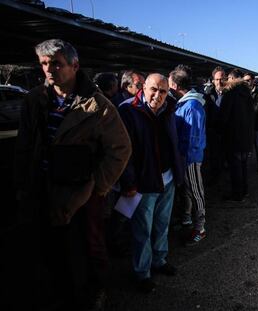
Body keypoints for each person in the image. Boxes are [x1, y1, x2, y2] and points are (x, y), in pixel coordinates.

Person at [14, 39, 131, 310]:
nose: (49, 69)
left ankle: (94, 291)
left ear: (75, 65)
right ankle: (59, 291)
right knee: (49, 245)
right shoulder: (34, 100)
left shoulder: (97, 105)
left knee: (89, 244)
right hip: (42, 186)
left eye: (57, 63)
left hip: (80, 190)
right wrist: (21, 184)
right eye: (44, 63)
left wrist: (97, 186)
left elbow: (121, 149)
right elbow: (23, 145)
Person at [118, 73, 184, 293]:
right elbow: (123, 151)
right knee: (142, 230)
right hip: (143, 182)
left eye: (163, 91)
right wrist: (128, 182)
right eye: (153, 89)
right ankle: (142, 272)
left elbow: (173, 141)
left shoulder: (170, 108)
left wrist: (178, 171)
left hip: (167, 178)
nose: (158, 95)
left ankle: (159, 260)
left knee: (162, 224)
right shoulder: (128, 110)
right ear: (143, 87)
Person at [169, 65, 207, 245]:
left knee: (196, 191)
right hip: (183, 157)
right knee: (186, 191)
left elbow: (194, 138)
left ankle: (200, 228)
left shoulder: (192, 106)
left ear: (175, 86)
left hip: (190, 158)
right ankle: (187, 219)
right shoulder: (184, 103)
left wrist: (185, 158)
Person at [220, 69, 255, 202]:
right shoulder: (247, 93)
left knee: (235, 168)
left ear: (233, 79)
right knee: (244, 166)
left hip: (233, 137)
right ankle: (244, 191)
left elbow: (224, 117)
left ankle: (237, 194)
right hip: (246, 136)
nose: (226, 80)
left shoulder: (230, 94)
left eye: (228, 78)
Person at [204, 66, 226, 185]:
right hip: (212, 130)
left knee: (224, 154)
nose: (219, 82)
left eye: (221, 78)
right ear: (213, 80)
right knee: (213, 154)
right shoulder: (208, 94)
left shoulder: (230, 93)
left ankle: (223, 173)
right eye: (217, 79)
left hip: (226, 130)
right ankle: (214, 176)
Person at [243, 73, 258, 174]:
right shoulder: (242, 92)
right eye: (245, 80)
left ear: (252, 80)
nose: (246, 82)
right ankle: (244, 167)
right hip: (244, 125)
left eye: (248, 80)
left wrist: (247, 113)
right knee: (245, 146)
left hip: (255, 124)